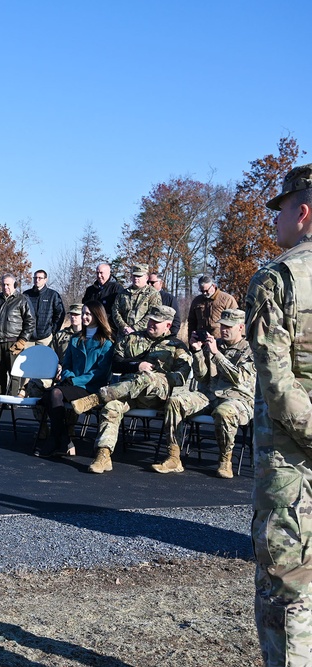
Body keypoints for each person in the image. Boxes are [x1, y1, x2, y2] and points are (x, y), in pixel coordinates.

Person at [246, 162, 312, 665]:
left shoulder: (277, 279)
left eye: (281, 210)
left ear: (303, 212)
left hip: (292, 466)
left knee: (286, 589)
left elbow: (278, 386)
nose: (275, 222)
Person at [71, 305, 190, 474]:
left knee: (148, 377)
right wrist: (136, 365)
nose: (151, 324)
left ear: (168, 325)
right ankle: (103, 455)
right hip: (129, 394)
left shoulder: (177, 346)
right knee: (111, 407)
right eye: (150, 320)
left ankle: (97, 397)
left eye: (156, 322)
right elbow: (116, 363)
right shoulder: (132, 339)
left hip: (157, 396)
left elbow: (181, 377)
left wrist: (160, 377)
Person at [155, 308, 254, 477]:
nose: (224, 330)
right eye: (222, 326)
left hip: (237, 399)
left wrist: (216, 354)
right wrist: (198, 352)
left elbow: (238, 378)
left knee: (225, 412)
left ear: (241, 327)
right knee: (175, 401)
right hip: (209, 395)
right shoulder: (215, 344)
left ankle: (225, 461)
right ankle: (173, 457)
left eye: (229, 327)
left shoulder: (250, 349)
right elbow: (202, 376)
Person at [35, 301, 114, 458]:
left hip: (91, 387)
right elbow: (67, 364)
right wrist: (69, 377)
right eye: (83, 313)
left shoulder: (106, 343)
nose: (84, 317)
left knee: (52, 394)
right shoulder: (75, 339)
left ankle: (57, 439)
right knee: (51, 393)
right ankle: (63, 439)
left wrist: (76, 381)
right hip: (71, 384)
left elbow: (101, 373)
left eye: (88, 314)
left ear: (98, 316)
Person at [0, 273, 35, 395]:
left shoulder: (22, 300)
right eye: (3, 285)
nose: (5, 287)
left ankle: (12, 399)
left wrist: (22, 340)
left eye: (8, 285)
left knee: (14, 373)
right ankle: (1, 399)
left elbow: (30, 322)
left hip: (14, 343)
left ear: (14, 285)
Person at [111, 263, 161, 337]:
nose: (136, 278)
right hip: (123, 336)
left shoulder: (153, 294)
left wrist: (134, 328)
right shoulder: (123, 293)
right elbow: (115, 311)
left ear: (146, 277)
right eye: (134, 275)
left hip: (143, 337)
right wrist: (124, 326)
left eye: (139, 276)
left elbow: (153, 315)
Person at [23, 269, 65, 346]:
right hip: (28, 338)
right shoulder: (26, 295)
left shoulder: (53, 295)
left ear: (45, 280)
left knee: (45, 358)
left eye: (40, 278)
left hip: (45, 338)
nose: (37, 280)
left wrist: (53, 331)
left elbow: (60, 314)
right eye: (35, 278)